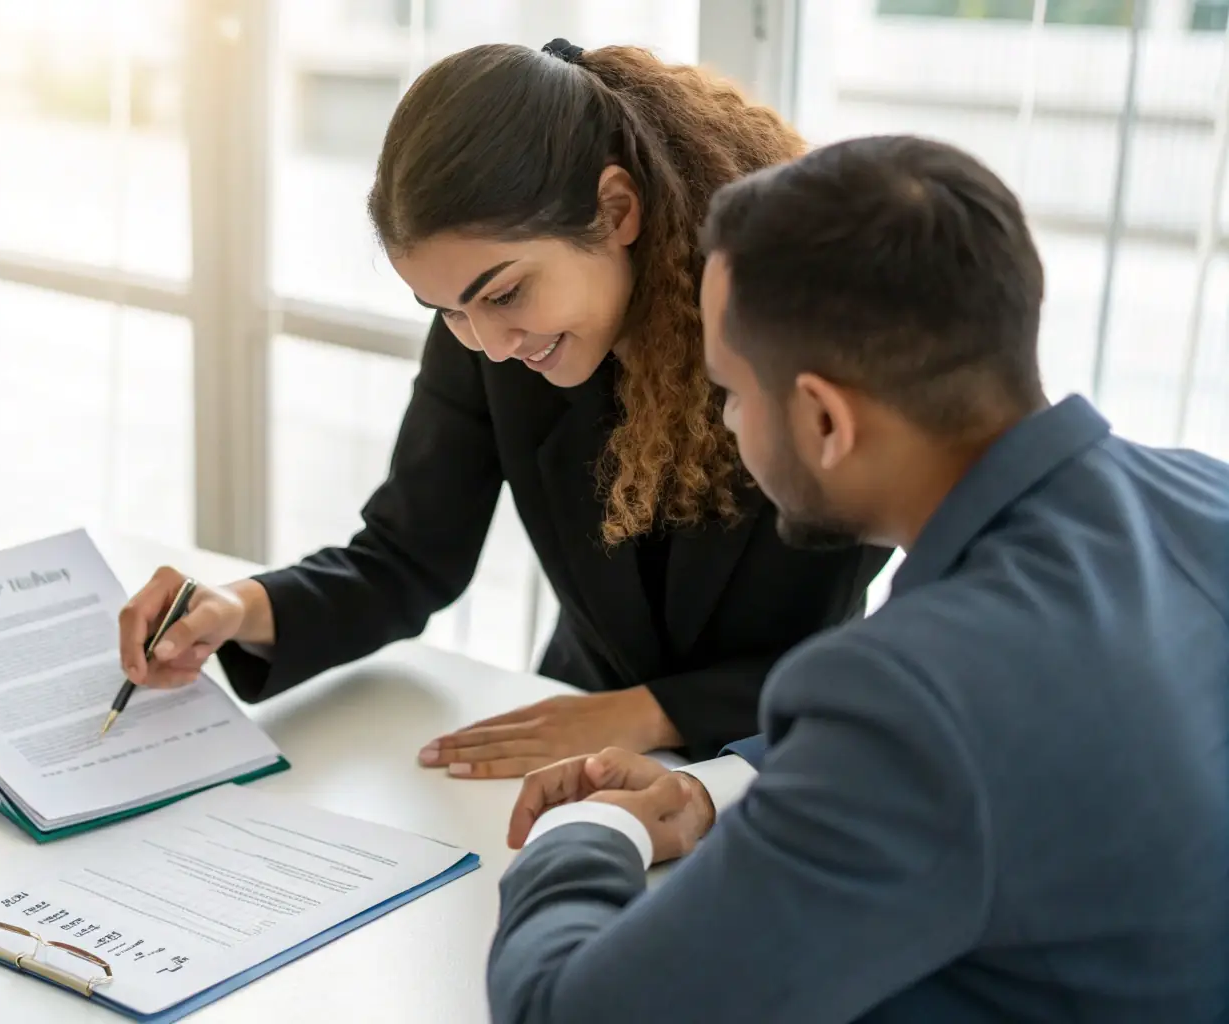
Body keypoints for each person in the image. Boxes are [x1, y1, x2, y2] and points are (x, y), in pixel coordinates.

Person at [489, 134, 1229, 1023]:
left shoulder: (912, 696)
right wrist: (713, 787)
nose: (723, 423)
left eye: (729, 391)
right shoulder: (1204, 498)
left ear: (825, 420)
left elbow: (561, 1012)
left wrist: (581, 835)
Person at [117, 39, 889, 769]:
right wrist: (235, 609)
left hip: (774, 762)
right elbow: (407, 556)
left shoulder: (809, 343)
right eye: (446, 309)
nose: (485, 343)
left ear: (618, 210)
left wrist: (649, 713)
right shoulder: (491, 327)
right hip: (571, 736)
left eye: (505, 293)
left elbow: (856, 655)